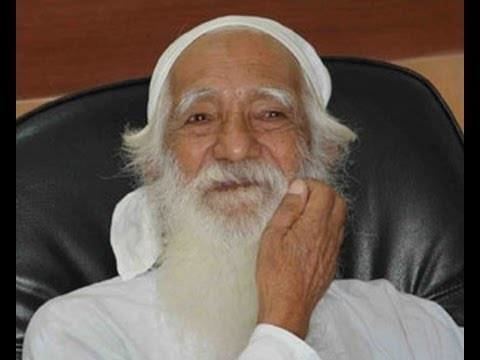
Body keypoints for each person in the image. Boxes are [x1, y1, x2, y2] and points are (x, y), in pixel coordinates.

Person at [22, 15, 464, 360]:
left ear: (322, 152)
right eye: (199, 118)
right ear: (156, 167)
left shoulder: (410, 325)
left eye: (271, 114)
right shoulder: (79, 331)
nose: (235, 148)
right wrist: (284, 322)